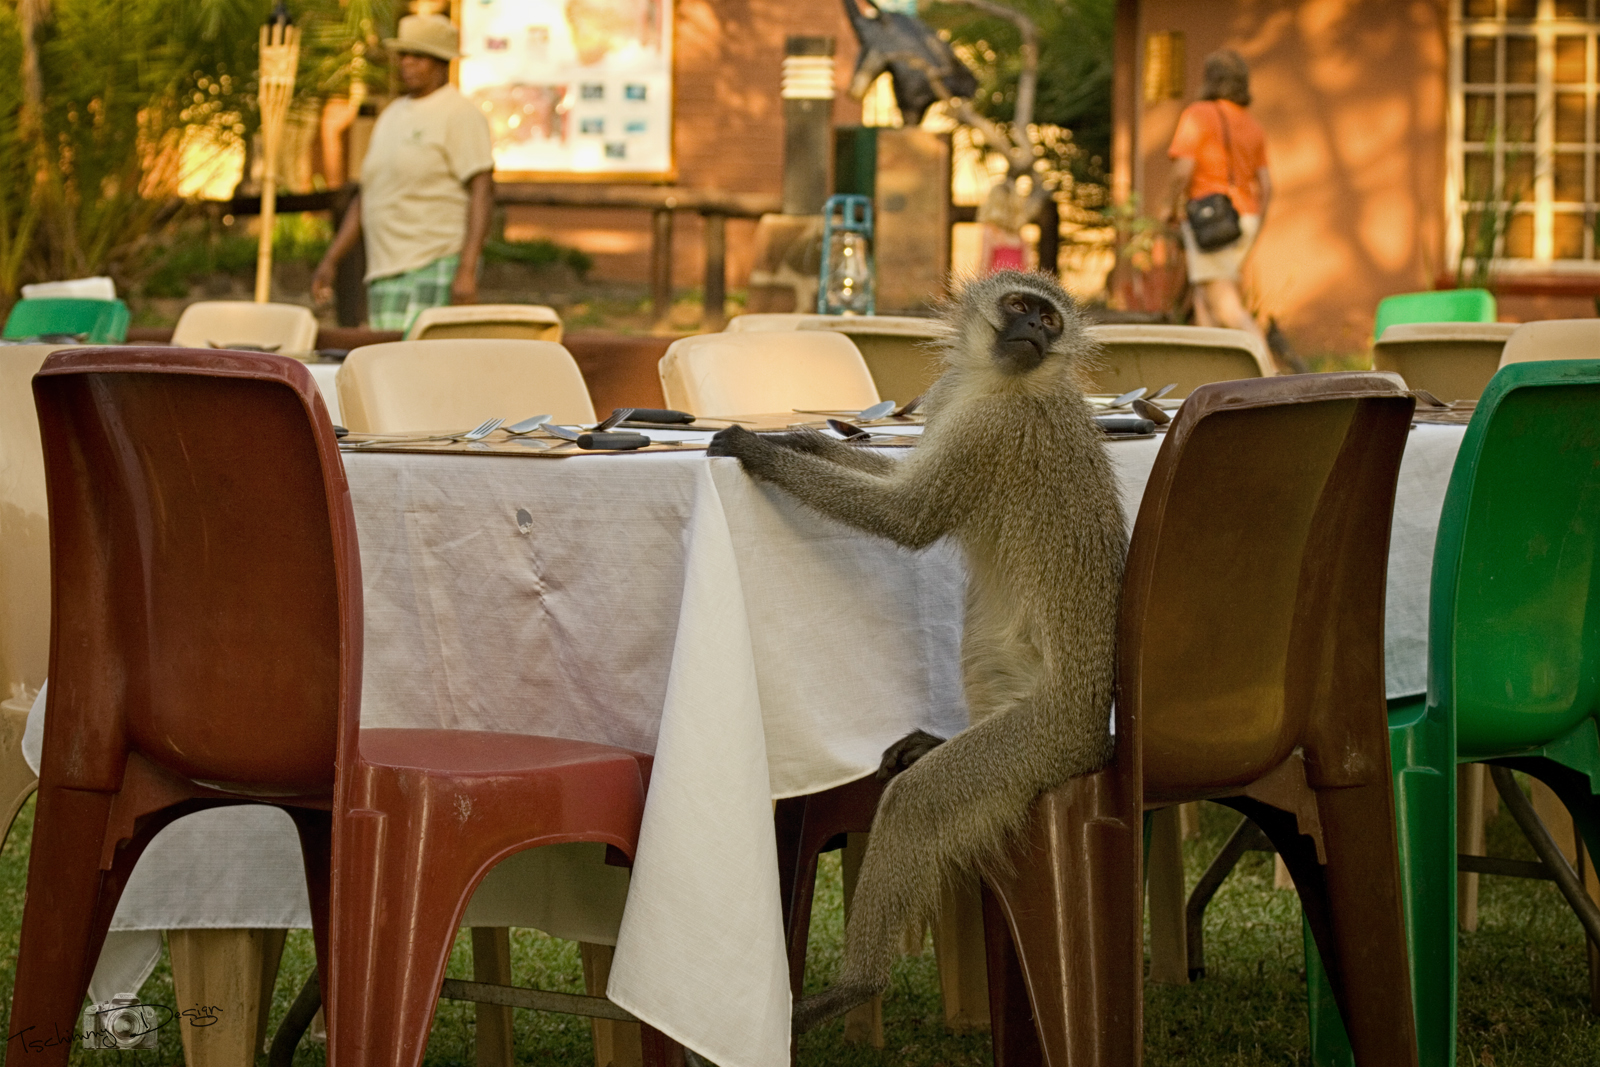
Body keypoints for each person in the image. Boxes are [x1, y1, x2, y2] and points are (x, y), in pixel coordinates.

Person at [311, 13, 495, 333]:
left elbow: (482, 189)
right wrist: (332, 260)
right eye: (404, 55)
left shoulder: (459, 113)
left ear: (441, 62)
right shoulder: (391, 115)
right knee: (390, 368)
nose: (407, 63)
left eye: (418, 56)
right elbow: (368, 196)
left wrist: (466, 268)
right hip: (385, 270)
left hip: (435, 263)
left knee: (425, 370)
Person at [1165, 49, 1271, 341]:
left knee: (1228, 310)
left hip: (1212, 221)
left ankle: (1268, 372)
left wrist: (1169, 206)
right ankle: (1210, 377)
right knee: (1204, 295)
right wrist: (1258, 223)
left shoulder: (1198, 115)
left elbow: (1182, 172)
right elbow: (1267, 185)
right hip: (1245, 217)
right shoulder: (1252, 125)